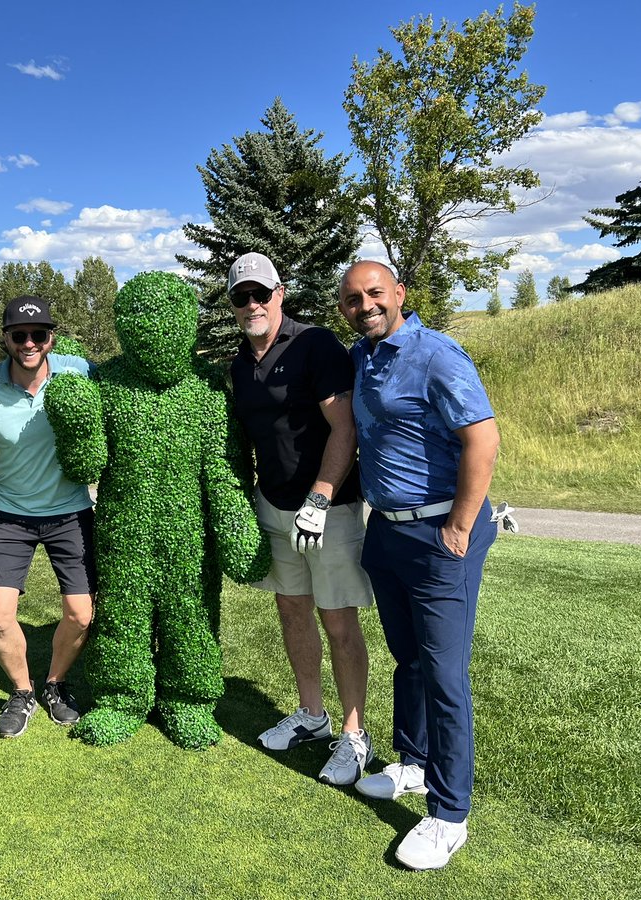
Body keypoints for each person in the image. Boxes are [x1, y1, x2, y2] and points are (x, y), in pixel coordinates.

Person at [338, 260, 500, 871]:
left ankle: (449, 813)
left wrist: (459, 525)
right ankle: (413, 761)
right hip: (388, 531)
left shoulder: (436, 354)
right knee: (407, 657)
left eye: (375, 293)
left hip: (439, 532)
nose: (365, 306)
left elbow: (483, 438)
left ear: (399, 293)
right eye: (353, 299)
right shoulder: (362, 355)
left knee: (444, 674)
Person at [227, 252, 376, 786]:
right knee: (292, 611)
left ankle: (355, 735)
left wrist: (319, 497)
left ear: (279, 294)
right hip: (273, 506)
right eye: (241, 297)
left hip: (327, 510)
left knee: (338, 620)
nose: (252, 304)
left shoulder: (315, 344)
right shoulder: (240, 364)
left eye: (260, 294)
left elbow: (345, 428)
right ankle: (312, 715)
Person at [0, 296, 96, 738]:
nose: (29, 343)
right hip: (10, 517)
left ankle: (55, 685)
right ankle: (22, 692)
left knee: (81, 615)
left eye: (37, 334)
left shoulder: (79, 373)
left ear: (51, 338)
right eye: (19, 335)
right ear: (5, 338)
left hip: (71, 514)